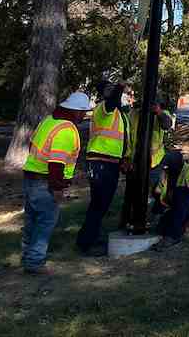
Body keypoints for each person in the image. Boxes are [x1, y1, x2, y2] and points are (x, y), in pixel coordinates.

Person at [20, 91, 92, 274]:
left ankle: (26, 255)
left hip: (31, 177)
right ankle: (35, 262)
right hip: (45, 183)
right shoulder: (66, 130)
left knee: (31, 220)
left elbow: (32, 145)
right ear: (75, 111)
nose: (84, 116)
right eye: (83, 112)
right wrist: (57, 188)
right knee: (45, 222)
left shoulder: (48, 121)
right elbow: (56, 164)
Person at [75, 81, 130, 256]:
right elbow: (112, 101)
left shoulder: (118, 113)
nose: (113, 92)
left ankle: (90, 238)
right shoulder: (105, 108)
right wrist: (120, 88)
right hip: (100, 162)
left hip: (110, 163)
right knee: (99, 204)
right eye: (110, 90)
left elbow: (122, 138)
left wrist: (123, 158)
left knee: (101, 204)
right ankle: (87, 243)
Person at [151, 150, 189, 250]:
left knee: (181, 194)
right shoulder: (166, 173)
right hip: (175, 205)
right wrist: (156, 212)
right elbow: (158, 192)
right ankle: (180, 226)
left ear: (176, 165)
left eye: (167, 166)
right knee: (160, 229)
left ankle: (174, 236)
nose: (165, 168)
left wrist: (175, 195)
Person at [125, 98, 174, 192]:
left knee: (150, 192)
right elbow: (127, 138)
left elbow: (167, 124)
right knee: (131, 194)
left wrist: (158, 112)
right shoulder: (133, 114)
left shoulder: (162, 113)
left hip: (154, 163)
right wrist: (126, 157)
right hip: (134, 162)